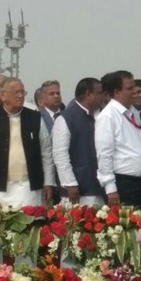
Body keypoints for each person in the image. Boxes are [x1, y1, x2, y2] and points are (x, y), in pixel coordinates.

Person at [0, 77, 55, 206]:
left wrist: (48, 182)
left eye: (22, 92)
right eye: (16, 92)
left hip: (29, 190)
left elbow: (46, 152)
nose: (20, 96)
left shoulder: (35, 118)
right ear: (3, 95)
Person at [96, 71, 141, 210]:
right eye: (130, 88)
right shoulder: (108, 116)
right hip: (123, 184)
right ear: (116, 92)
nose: (135, 92)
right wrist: (110, 188)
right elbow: (104, 154)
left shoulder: (132, 112)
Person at [52, 78, 105, 206]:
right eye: (100, 93)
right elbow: (60, 155)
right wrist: (70, 183)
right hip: (78, 192)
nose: (103, 96)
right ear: (88, 94)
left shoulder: (103, 116)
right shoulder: (65, 119)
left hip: (101, 190)